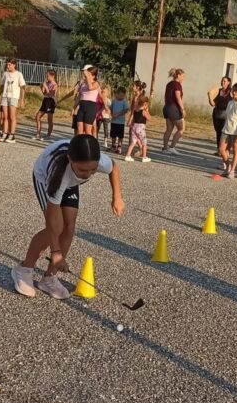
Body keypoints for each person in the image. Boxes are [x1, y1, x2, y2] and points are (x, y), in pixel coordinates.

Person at [13, 134, 124, 299]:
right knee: (57, 227)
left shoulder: (98, 161)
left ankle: (49, 278)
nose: (88, 174)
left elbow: (113, 167)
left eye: (93, 170)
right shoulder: (57, 173)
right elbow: (51, 219)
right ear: (70, 159)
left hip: (70, 181)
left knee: (69, 227)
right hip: (46, 179)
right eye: (83, 170)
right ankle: (24, 269)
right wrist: (56, 252)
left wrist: (117, 196)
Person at [0, 58, 26, 143]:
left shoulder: (19, 74)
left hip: (14, 97)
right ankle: (5, 133)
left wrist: (22, 99)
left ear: (14, 65)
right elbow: (1, 86)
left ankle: (12, 135)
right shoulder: (5, 74)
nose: (8, 66)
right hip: (5, 96)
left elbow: (23, 87)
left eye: (9, 64)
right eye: (7, 64)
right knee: (5, 117)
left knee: (12, 117)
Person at [71, 65, 101, 136]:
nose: (86, 76)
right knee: (79, 130)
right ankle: (80, 143)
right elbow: (79, 97)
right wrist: (73, 108)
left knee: (88, 131)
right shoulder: (83, 84)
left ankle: (89, 143)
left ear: (93, 76)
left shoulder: (96, 83)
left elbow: (90, 88)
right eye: (86, 75)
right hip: (82, 106)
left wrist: (87, 77)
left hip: (90, 107)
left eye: (89, 75)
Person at [161, 68, 186, 153]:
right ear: (178, 75)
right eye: (183, 76)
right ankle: (172, 147)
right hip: (173, 108)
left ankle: (165, 148)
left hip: (166, 108)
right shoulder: (177, 84)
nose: (183, 78)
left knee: (169, 129)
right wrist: (182, 109)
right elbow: (178, 97)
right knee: (181, 128)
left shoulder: (169, 84)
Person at [208, 76, 233, 155]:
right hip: (217, 115)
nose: (223, 82)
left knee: (224, 133)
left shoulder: (231, 92)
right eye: (222, 81)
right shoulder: (218, 91)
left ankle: (224, 150)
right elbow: (213, 104)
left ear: (228, 82)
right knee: (218, 132)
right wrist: (209, 95)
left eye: (225, 81)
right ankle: (219, 150)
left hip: (226, 116)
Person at [124, 94, 152, 163]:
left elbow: (131, 119)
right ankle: (144, 157)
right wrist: (147, 111)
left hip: (134, 127)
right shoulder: (144, 111)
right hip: (140, 128)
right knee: (144, 142)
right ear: (145, 104)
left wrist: (129, 123)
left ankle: (128, 156)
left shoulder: (135, 110)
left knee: (133, 142)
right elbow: (149, 119)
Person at [34, 70, 58, 140]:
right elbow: (44, 94)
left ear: (52, 76)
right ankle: (38, 134)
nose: (46, 77)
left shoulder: (55, 85)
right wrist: (41, 87)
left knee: (49, 119)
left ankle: (48, 135)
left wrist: (46, 87)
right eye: (46, 76)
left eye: (48, 76)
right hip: (45, 100)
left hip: (51, 102)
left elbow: (51, 94)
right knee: (37, 117)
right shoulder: (46, 83)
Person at [109, 87, 129, 153]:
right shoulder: (114, 101)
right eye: (120, 95)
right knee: (113, 135)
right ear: (116, 94)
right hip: (114, 121)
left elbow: (125, 110)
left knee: (120, 135)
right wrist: (112, 114)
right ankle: (113, 145)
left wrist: (118, 114)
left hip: (121, 122)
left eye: (123, 96)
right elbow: (111, 108)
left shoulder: (124, 102)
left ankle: (119, 146)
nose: (121, 97)